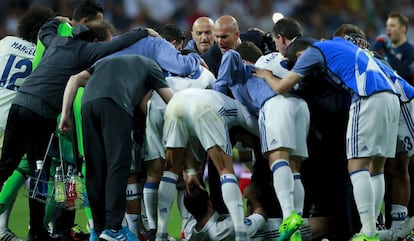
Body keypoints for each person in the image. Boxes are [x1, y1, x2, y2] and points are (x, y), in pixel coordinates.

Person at [0, 16, 152, 241]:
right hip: (43, 113)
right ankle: (42, 231)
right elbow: (118, 44)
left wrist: (54, 20)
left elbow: (45, 31)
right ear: (91, 40)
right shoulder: (86, 52)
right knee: (45, 173)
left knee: (7, 165)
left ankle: (48, 229)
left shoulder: (56, 42)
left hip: (20, 104)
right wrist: (144, 31)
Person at [254, 32, 400, 241]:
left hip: (368, 96)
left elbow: (281, 87)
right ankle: (372, 228)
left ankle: (368, 233)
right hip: (390, 97)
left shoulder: (313, 53)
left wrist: (266, 74)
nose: (300, 67)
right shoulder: (340, 44)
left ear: (302, 53)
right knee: (376, 167)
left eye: (297, 62)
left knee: (356, 166)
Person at [59, 54, 173, 241]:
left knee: (95, 168)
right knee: (118, 165)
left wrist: (65, 114)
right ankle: (113, 229)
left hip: (87, 106)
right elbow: (171, 100)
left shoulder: (104, 62)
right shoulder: (151, 66)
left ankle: (98, 228)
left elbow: (74, 79)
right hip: (116, 104)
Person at [158, 88, 260, 241]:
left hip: (174, 103)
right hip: (205, 107)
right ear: (243, 132)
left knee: (171, 171)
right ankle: (241, 233)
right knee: (225, 170)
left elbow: (186, 147)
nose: (245, 145)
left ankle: (160, 234)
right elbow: (263, 132)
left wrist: (191, 172)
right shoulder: (243, 112)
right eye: (245, 142)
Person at [0, 6, 55, 241]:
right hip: (13, 118)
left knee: (7, 171)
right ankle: (41, 229)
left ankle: (2, 228)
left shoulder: (5, 42)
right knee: (36, 170)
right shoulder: (42, 54)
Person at [182, 184, 266, 241]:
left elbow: (193, 202)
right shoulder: (224, 229)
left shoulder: (189, 230)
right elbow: (261, 217)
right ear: (209, 203)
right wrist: (252, 197)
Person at [373, 11, 414, 86]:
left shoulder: (410, 50)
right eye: (387, 26)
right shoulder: (387, 48)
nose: (388, 29)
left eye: (392, 26)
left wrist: (388, 51)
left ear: (403, 28)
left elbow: (403, 73)